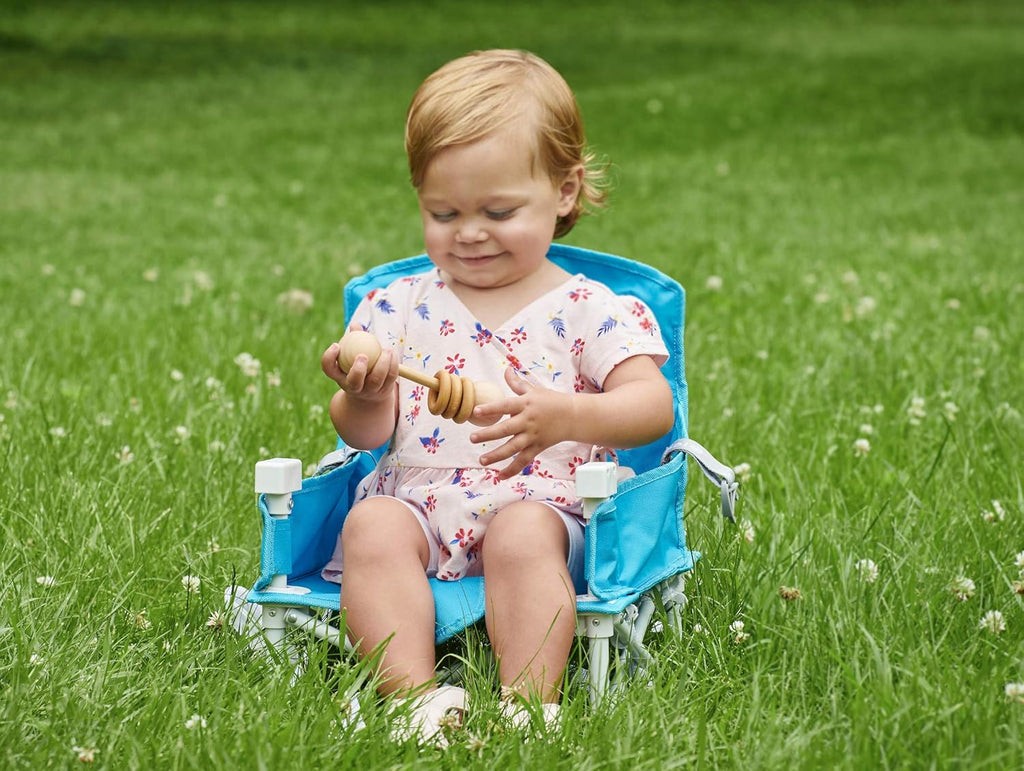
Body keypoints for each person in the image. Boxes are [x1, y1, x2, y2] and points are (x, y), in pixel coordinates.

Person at [320, 49, 674, 743]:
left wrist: (566, 415)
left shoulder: (589, 310)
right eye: (443, 211)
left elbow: (651, 407)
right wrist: (363, 394)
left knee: (520, 534)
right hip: (420, 503)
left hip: (546, 508)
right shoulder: (397, 306)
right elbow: (363, 437)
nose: (470, 231)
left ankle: (527, 702)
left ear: (565, 192)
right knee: (371, 527)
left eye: (499, 210)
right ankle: (414, 699)